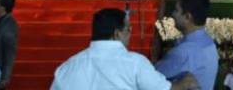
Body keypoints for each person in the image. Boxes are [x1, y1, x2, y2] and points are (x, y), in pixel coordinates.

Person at [52, 8, 198, 89]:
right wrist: (184, 83)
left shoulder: (67, 67)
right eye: (128, 29)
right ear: (117, 33)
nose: (130, 33)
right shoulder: (135, 63)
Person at [156, 0, 220, 90]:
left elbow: (151, 77)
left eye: (176, 10)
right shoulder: (208, 42)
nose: (173, 14)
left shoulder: (184, 51)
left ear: (187, 17)